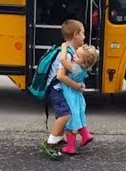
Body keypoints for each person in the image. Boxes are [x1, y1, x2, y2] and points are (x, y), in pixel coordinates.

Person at [41, 19, 86, 159]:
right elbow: (60, 76)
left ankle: (58, 139)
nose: (84, 36)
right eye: (83, 33)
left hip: (60, 88)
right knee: (65, 115)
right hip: (57, 88)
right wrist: (77, 86)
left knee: (65, 114)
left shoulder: (70, 50)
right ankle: (50, 143)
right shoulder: (66, 54)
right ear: (76, 35)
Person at [58, 42, 99, 155]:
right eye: (75, 53)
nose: (74, 56)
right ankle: (85, 135)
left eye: (77, 56)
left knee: (70, 122)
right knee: (78, 117)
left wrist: (64, 47)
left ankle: (70, 147)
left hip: (70, 94)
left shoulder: (76, 68)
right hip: (77, 96)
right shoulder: (86, 68)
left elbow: (62, 61)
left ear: (84, 62)